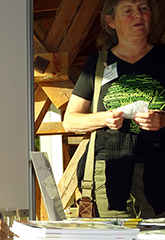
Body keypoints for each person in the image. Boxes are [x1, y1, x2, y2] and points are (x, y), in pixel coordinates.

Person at [63, 0, 165, 218]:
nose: (138, 15)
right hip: (108, 175)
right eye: (128, 11)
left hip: (160, 171)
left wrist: (163, 120)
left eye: (143, 8)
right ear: (111, 21)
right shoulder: (98, 63)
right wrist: (104, 118)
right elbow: (70, 121)